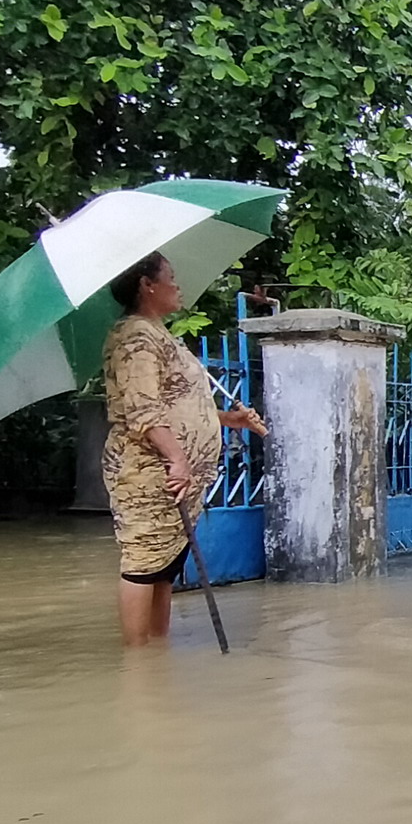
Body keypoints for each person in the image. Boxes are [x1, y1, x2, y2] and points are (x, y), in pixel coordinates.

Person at [101, 253, 267, 647]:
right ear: (147, 284)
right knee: (143, 563)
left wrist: (228, 419)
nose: (178, 286)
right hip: (150, 475)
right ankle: (138, 662)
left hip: (175, 479)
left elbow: (179, 404)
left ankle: (155, 654)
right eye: (170, 277)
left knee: (162, 568)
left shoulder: (158, 333)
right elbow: (142, 409)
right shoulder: (135, 337)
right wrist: (177, 457)